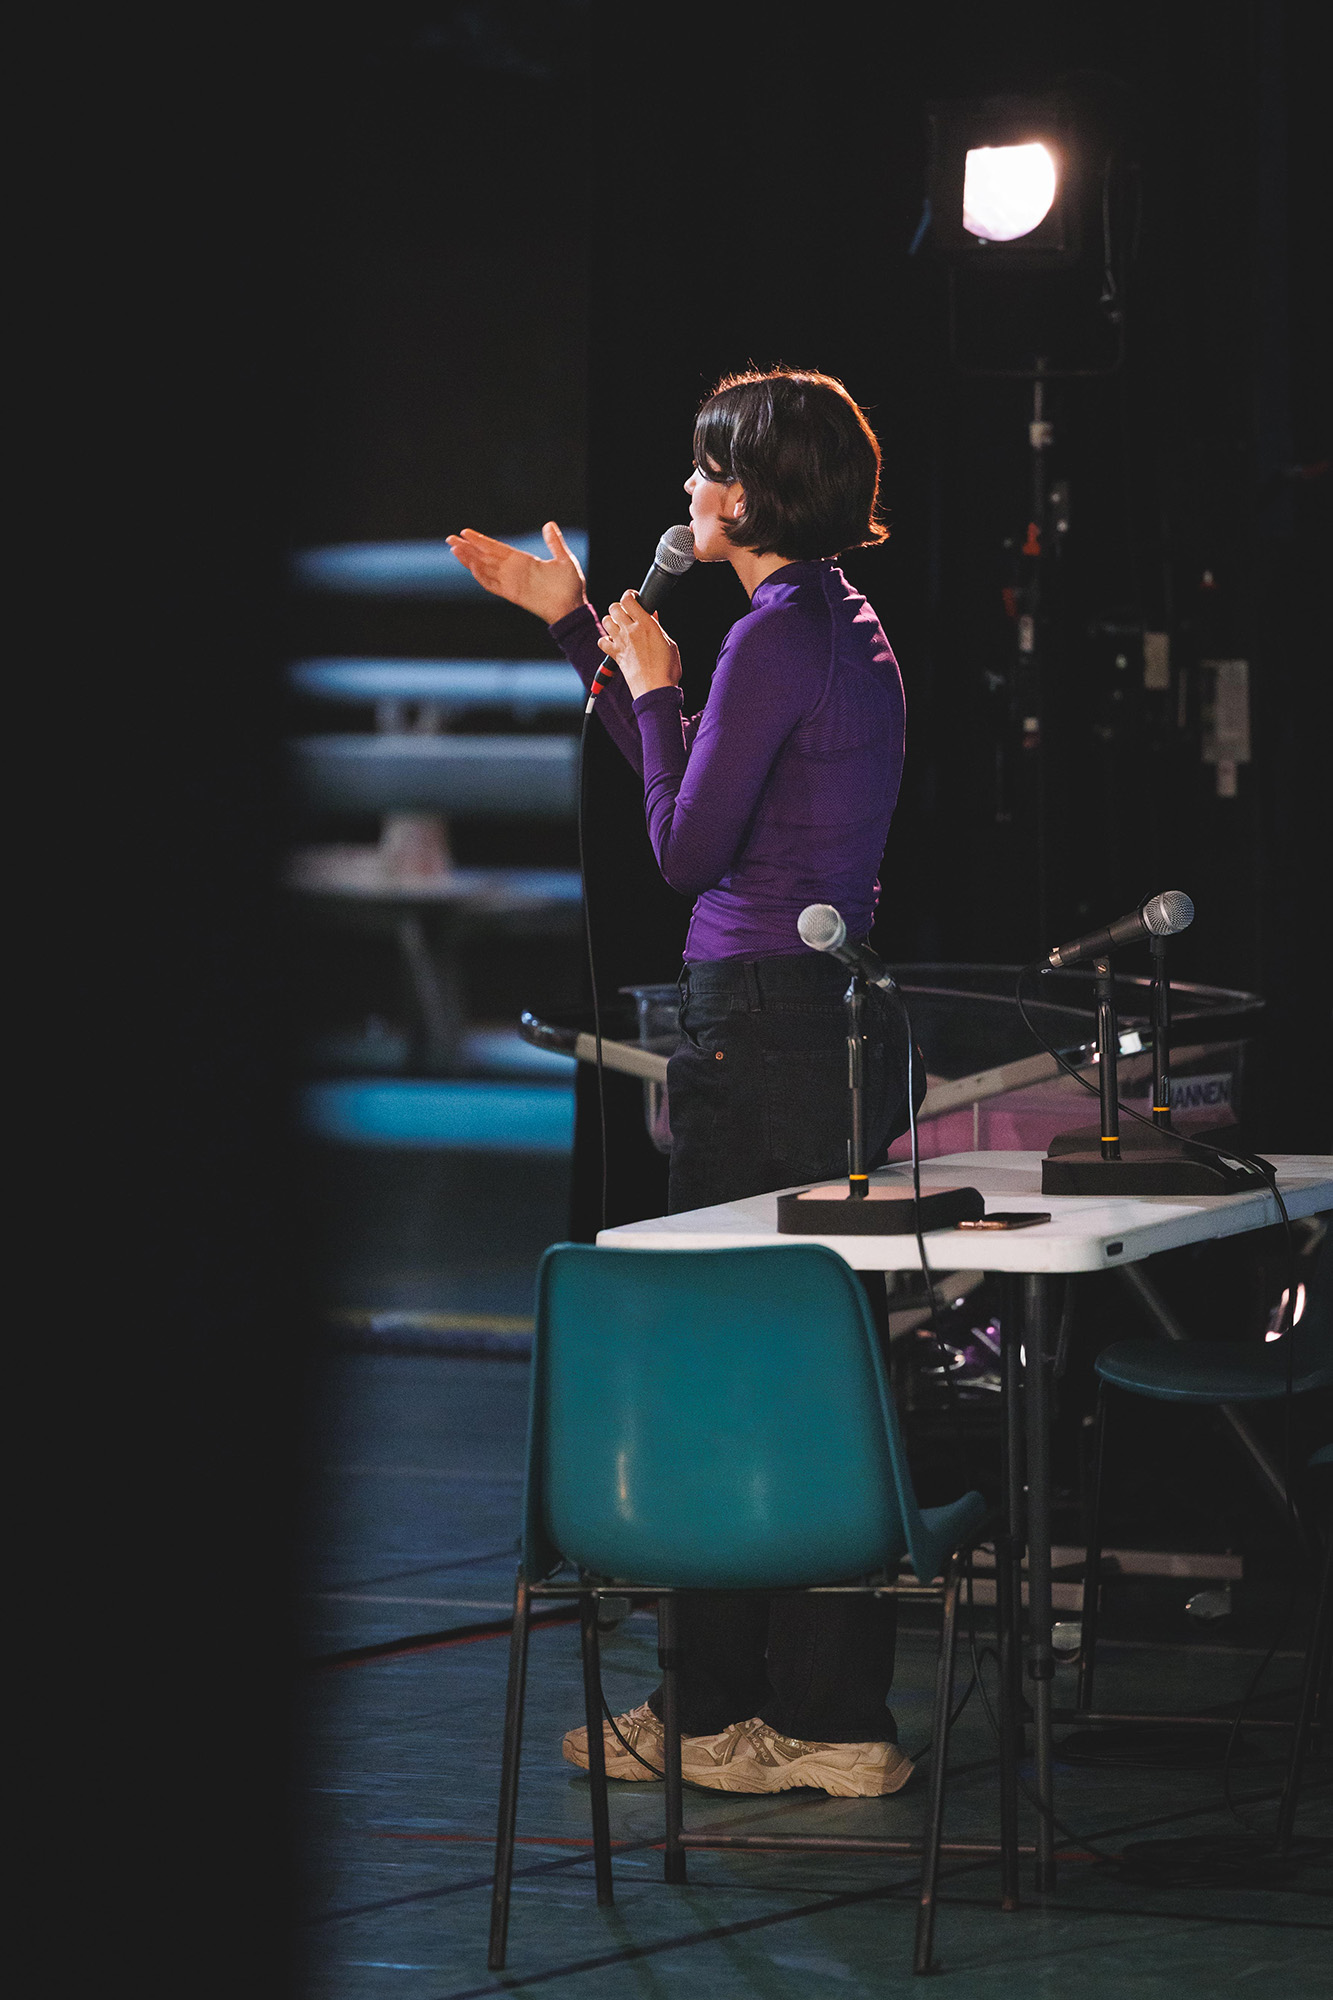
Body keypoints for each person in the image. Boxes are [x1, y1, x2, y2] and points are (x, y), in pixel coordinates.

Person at [448, 367, 922, 1799]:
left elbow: (680, 851)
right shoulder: (825, 622)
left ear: (756, 493)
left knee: (726, 1366)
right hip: (812, 1027)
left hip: (759, 1031)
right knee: (806, 1367)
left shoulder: (777, 636)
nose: (689, 490)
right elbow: (695, 788)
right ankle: (821, 1716)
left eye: (708, 469)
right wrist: (582, 636)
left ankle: (713, 1713)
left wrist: (651, 683)